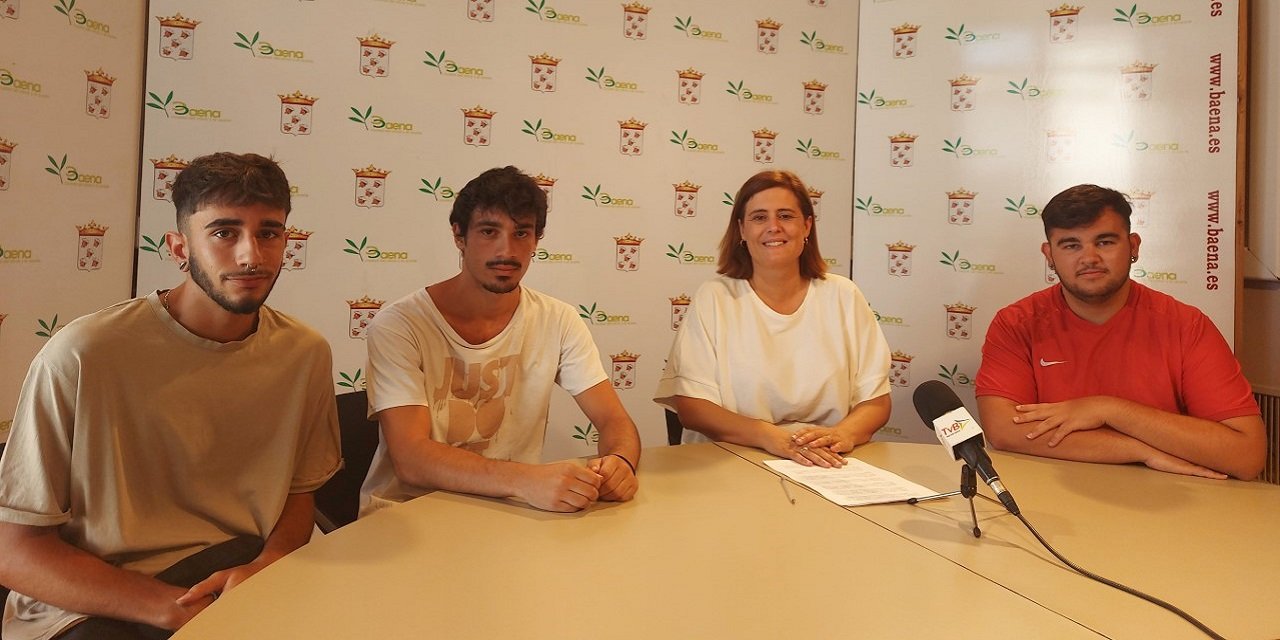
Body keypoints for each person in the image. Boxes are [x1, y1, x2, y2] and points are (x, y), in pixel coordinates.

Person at [0, 152, 341, 639]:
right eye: (224, 233)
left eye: (269, 233)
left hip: (235, 570)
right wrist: (171, 608)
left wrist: (269, 564)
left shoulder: (304, 353)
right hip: (97, 600)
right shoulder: (83, 354)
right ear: (179, 247)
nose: (251, 255)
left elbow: (299, 493)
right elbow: (13, 549)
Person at [359, 166, 640, 516]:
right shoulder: (400, 325)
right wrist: (526, 480)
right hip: (403, 518)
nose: (507, 250)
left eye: (521, 233)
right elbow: (412, 459)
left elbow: (614, 420)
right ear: (459, 235)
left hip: (508, 514)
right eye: (489, 231)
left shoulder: (559, 319)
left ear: (536, 240)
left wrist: (620, 462)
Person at [975, 184, 1265, 480]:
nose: (1089, 258)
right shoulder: (1017, 323)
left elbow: (1246, 455)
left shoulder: (1186, 325)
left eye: (1104, 242)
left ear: (1133, 246)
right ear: (1049, 254)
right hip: (1049, 491)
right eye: (1071, 245)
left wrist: (1109, 409)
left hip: (1166, 495)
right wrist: (1139, 450)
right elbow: (1003, 430)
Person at [653, 170, 892, 467]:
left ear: (807, 226)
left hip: (827, 463)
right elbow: (692, 407)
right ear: (742, 230)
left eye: (785, 216)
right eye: (759, 217)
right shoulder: (714, 298)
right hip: (733, 461)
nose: (773, 227)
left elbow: (876, 401)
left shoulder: (844, 296)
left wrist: (843, 434)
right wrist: (768, 437)